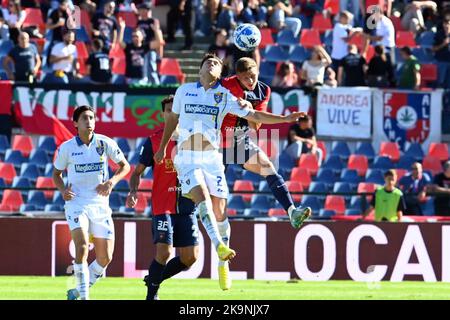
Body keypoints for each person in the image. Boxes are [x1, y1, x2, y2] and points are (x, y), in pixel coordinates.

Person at [154, 53, 310, 291]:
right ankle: (214, 244)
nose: (251, 80)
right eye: (209, 62)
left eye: (217, 63)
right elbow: (173, 118)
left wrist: (284, 118)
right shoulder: (195, 89)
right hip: (196, 151)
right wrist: (164, 147)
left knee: (223, 208)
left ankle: (289, 211)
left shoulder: (234, 93)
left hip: (226, 146)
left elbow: (256, 120)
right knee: (201, 198)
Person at [53, 105, 130, 300]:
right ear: (75, 123)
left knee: (105, 258)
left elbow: (125, 166)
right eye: (84, 118)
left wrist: (111, 182)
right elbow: (56, 174)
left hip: (100, 204)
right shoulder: (67, 148)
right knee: (82, 247)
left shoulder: (105, 143)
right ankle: (85, 297)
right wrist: (63, 190)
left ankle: (78, 291)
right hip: (77, 203)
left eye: (91, 118)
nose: (89, 121)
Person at [126, 96, 199, 300]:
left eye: (176, 110)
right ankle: (152, 295)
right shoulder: (153, 140)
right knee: (164, 253)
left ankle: (153, 279)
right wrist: (133, 191)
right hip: (163, 207)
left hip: (187, 208)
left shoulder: (194, 139)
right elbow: (137, 172)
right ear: (163, 114)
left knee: (190, 258)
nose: (173, 114)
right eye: (169, 110)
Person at [117, 21, 159, 85]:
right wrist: (122, 28)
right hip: (130, 78)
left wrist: (156, 30)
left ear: (142, 37)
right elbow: (119, 42)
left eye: (136, 36)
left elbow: (158, 43)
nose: (135, 38)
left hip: (142, 79)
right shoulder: (129, 47)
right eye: (133, 36)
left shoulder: (145, 47)